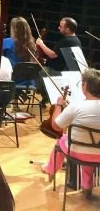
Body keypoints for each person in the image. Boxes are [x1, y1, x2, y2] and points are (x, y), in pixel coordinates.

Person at [42, 68, 100, 200]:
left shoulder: (76, 106)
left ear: (85, 86)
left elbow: (56, 126)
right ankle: (87, 187)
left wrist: (58, 105)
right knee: (93, 146)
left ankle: (50, 170)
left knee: (61, 140)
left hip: (77, 153)